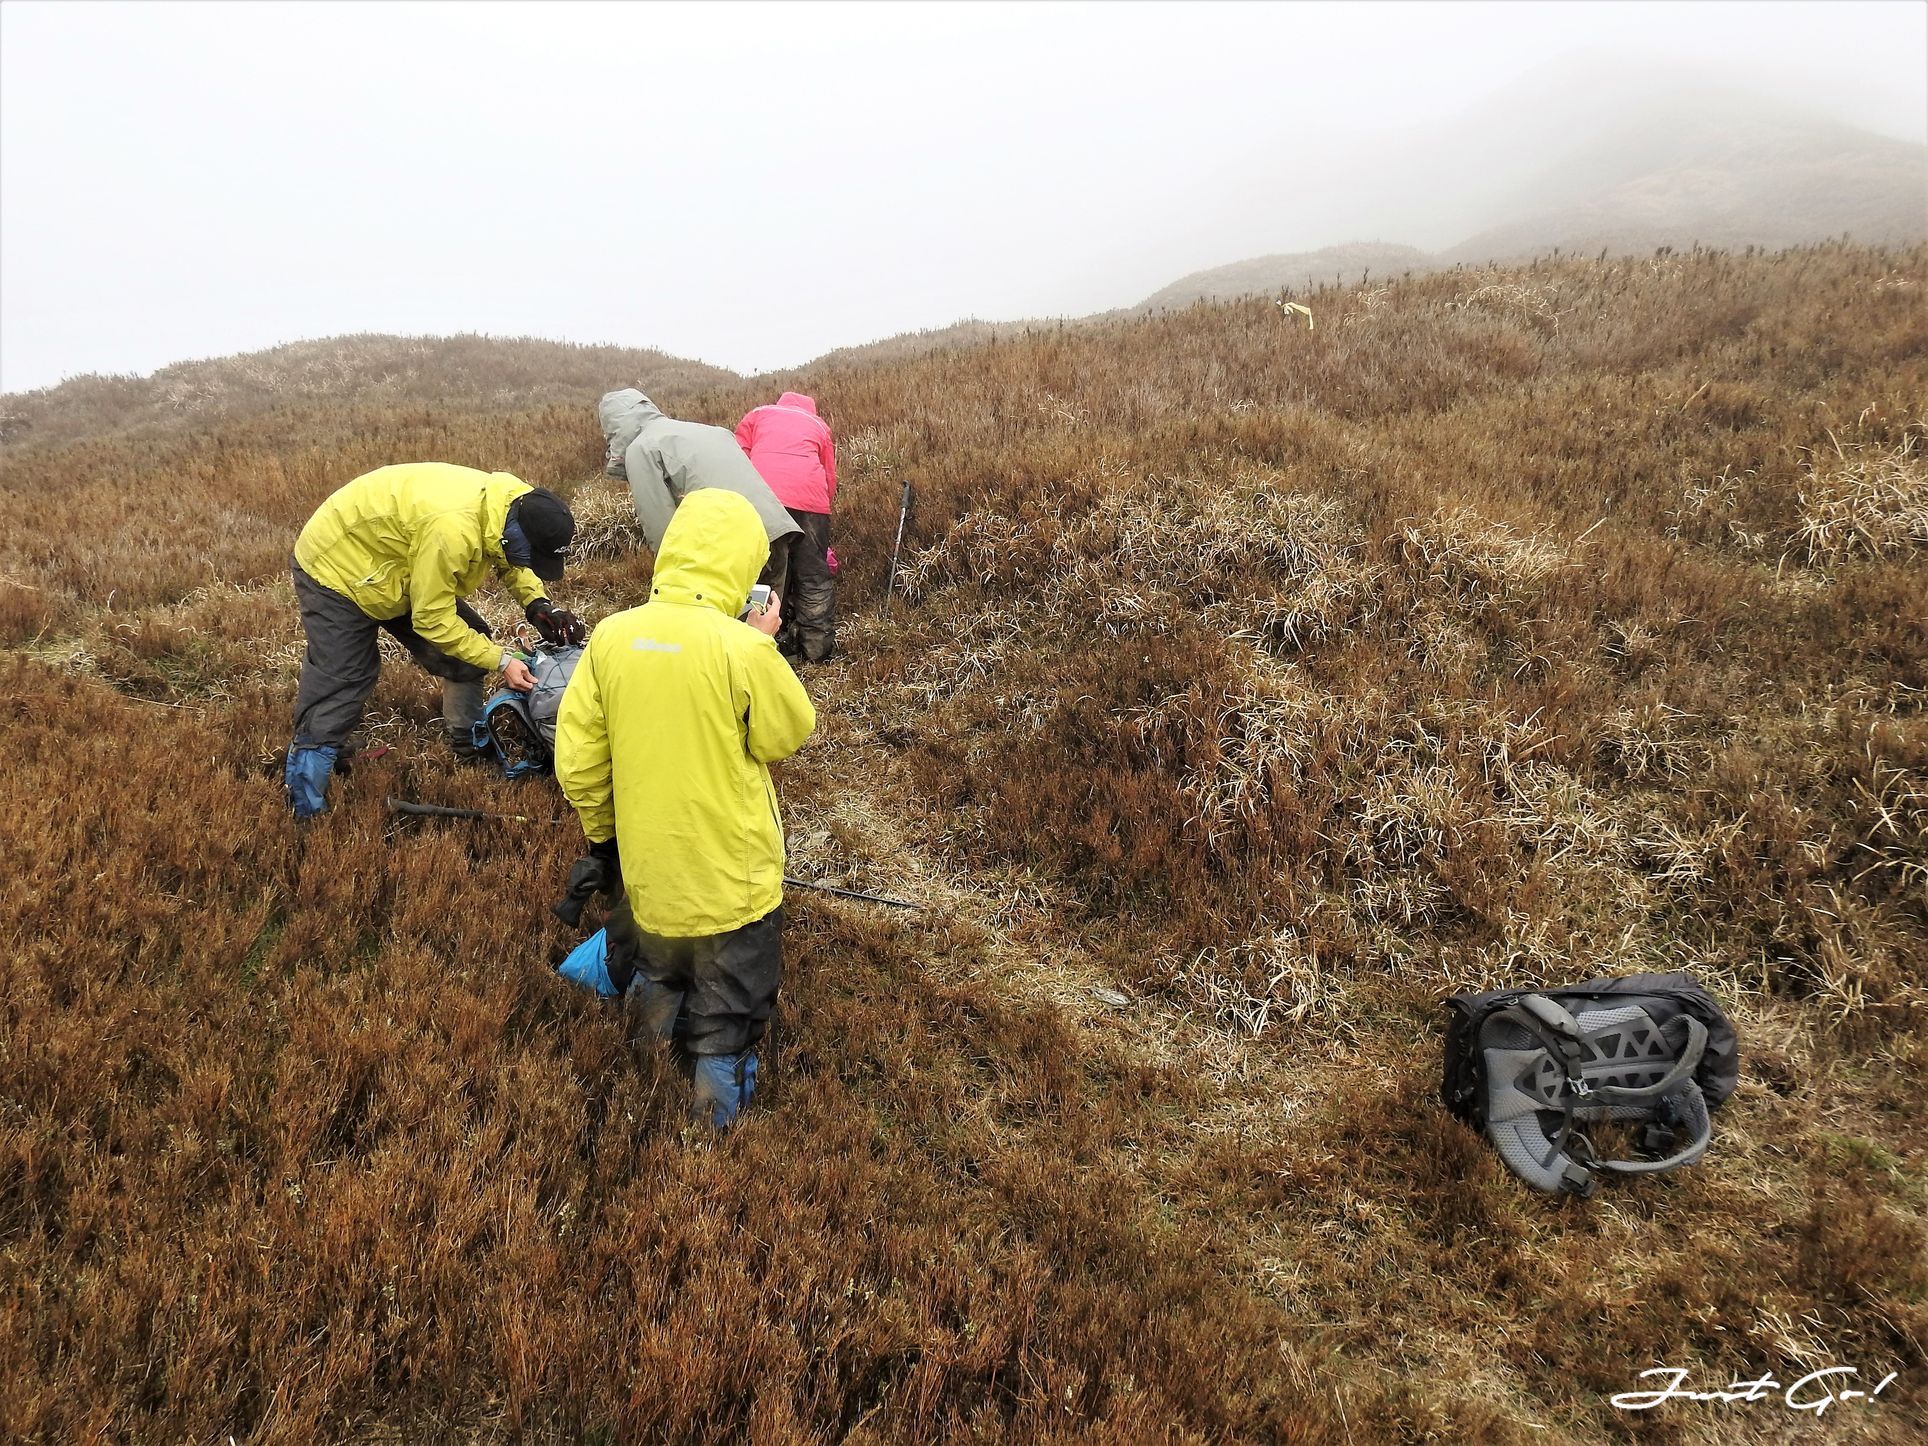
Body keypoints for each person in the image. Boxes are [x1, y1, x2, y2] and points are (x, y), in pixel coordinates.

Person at [554, 488, 816, 1128]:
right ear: (741, 566)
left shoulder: (612, 636)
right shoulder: (741, 648)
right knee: (731, 1003)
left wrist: (607, 840)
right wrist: (764, 642)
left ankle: (643, 1062)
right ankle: (712, 1129)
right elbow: (786, 733)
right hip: (735, 881)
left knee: (660, 964)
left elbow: (579, 760)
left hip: (652, 871)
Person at [285, 462, 587, 818]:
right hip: (338, 567)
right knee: (346, 677)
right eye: (530, 555)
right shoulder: (451, 531)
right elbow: (431, 619)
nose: (528, 561)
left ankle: (467, 743)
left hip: (397, 563)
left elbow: (511, 559)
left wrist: (538, 605)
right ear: (515, 533)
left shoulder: (514, 505)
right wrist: (502, 660)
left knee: (468, 649)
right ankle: (306, 797)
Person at [598, 388, 803, 601]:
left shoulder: (641, 449)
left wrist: (673, 580)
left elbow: (661, 529)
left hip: (730, 545)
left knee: (721, 627)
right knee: (762, 625)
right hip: (775, 532)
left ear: (614, 429)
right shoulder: (708, 431)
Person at [736, 392, 838, 662]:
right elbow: (828, 473)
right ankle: (816, 652)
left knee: (765, 576)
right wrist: (820, 513)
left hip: (764, 500)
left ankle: (759, 649)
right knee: (814, 577)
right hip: (811, 504)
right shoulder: (818, 425)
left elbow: (739, 460)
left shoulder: (758, 414)